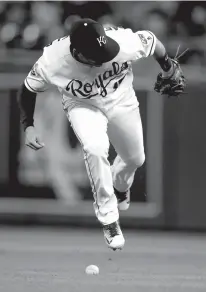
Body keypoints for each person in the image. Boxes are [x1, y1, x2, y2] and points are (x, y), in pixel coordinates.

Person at [18, 18, 185, 251]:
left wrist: (167, 66)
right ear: (77, 52)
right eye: (95, 53)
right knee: (95, 147)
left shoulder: (121, 41)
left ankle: (120, 186)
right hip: (82, 105)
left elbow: (152, 41)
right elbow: (28, 88)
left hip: (121, 99)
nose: (103, 55)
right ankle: (109, 219)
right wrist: (29, 126)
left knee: (135, 159)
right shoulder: (53, 60)